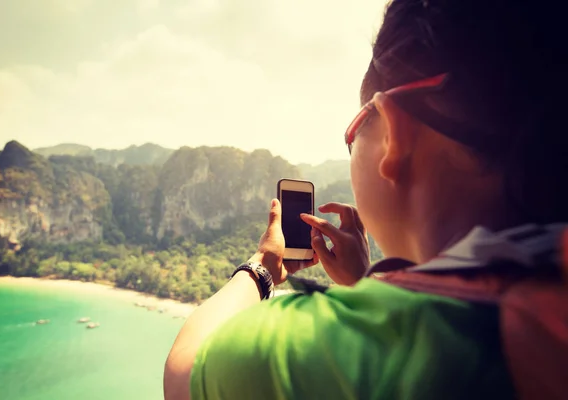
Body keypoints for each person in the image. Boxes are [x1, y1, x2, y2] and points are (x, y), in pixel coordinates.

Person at [164, 0, 567, 399]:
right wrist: (367, 280)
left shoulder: (348, 343)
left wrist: (261, 268)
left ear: (395, 133)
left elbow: (183, 371)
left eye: (354, 132)